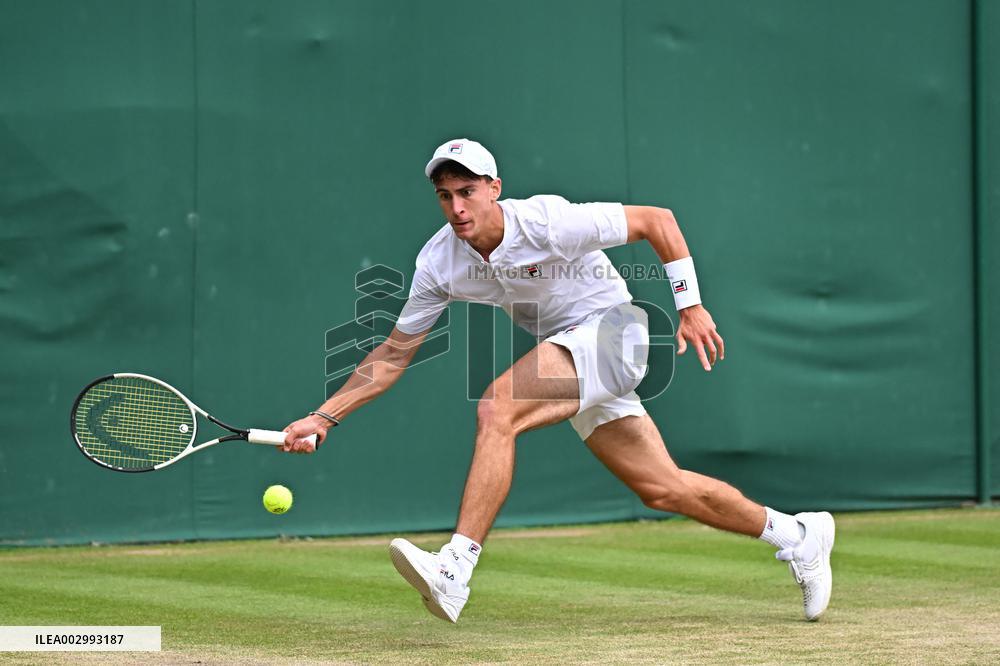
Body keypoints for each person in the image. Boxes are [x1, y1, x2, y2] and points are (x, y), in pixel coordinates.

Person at [282, 138, 835, 623]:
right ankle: (799, 537)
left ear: (494, 188)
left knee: (498, 407)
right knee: (663, 488)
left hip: (616, 333)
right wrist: (324, 415)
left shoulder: (546, 221)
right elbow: (394, 353)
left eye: (467, 191)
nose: (456, 207)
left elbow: (656, 220)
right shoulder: (439, 262)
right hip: (574, 353)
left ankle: (455, 568)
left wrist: (689, 307)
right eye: (445, 196)